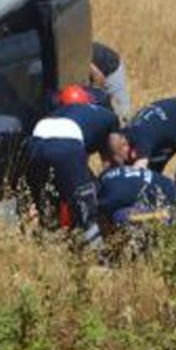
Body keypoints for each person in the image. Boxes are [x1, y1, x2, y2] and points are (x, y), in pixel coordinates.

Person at [26, 85, 120, 248]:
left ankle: (46, 249)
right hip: (67, 146)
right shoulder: (109, 118)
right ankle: (98, 258)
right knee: (85, 207)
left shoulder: (60, 112)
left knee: (46, 204)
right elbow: (111, 164)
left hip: (35, 142)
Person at [107, 97, 176, 193]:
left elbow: (137, 178)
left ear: (125, 145)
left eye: (123, 160)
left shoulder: (142, 137)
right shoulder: (124, 134)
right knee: (154, 172)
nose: (125, 163)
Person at [97, 146, 176, 228]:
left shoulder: (106, 200)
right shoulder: (106, 175)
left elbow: (108, 217)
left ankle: (159, 215)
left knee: (119, 217)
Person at [90, 41, 132, 119]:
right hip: (94, 71)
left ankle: (127, 123)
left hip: (111, 67)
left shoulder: (79, 58)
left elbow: (99, 78)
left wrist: (94, 96)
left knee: (120, 104)